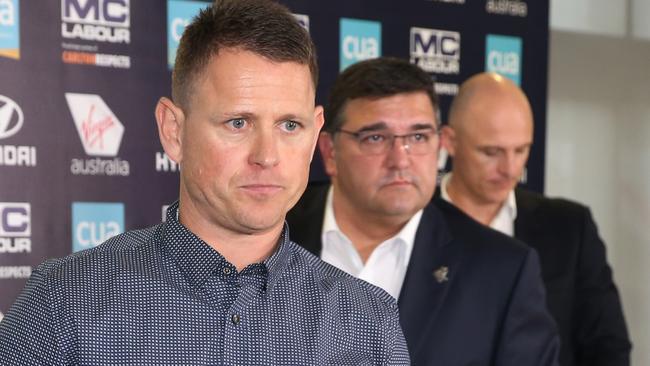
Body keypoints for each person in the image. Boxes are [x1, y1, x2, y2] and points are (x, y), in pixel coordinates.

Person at [0, 1, 410, 364]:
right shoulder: (64, 302)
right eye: (238, 122)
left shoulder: (368, 323)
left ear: (315, 131)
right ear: (174, 131)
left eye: (290, 125)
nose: (267, 155)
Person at [287, 57, 560, 365]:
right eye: (376, 138)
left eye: (418, 137)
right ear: (329, 151)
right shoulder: (268, 235)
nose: (401, 160)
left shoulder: (503, 271)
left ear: (440, 144)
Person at [438, 72, 632, 366]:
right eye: (491, 152)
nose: (510, 168)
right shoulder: (411, 223)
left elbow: (607, 347)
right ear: (450, 141)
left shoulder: (569, 228)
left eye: (521, 150)